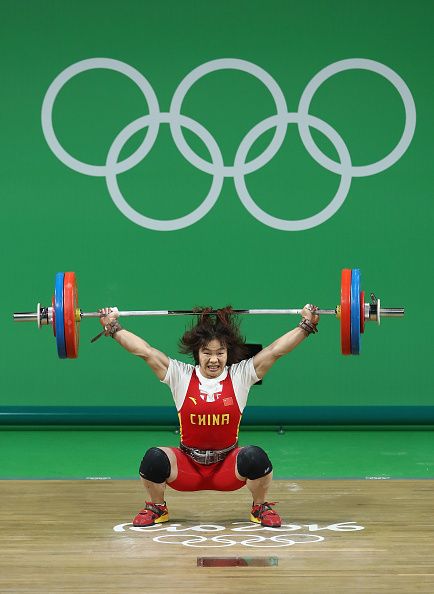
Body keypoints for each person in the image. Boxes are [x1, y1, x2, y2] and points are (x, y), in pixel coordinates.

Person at [98, 304, 319, 528]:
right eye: (207, 353)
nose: (214, 360)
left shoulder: (240, 375)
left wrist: (306, 325)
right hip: (187, 468)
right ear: (197, 353)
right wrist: (113, 327)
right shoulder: (180, 375)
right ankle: (157, 507)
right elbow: (145, 351)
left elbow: (275, 351)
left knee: (256, 457)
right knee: (153, 459)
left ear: (227, 354)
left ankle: (260, 506)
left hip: (228, 468)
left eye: (220, 353)